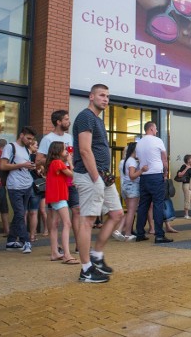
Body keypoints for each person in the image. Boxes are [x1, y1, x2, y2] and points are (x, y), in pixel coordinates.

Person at [73, 84, 124, 283]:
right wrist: (95, 177)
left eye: (108, 96)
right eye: (102, 95)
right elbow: (85, 150)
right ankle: (86, 269)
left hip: (103, 175)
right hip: (90, 175)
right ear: (91, 96)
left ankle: (96, 256)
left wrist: (102, 177)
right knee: (88, 220)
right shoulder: (85, 116)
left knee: (117, 214)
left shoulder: (98, 120)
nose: (105, 99)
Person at [36, 110, 80, 252]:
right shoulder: (47, 139)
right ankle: (55, 247)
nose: (69, 121)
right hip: (57, 179)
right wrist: (58, 161)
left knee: (77, 209)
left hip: (70, 179)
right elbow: (38, 160)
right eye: (66, 119)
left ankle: (79, 244)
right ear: (58, 122)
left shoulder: (70, 137)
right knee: (55, 216)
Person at [1, 126, 38, 254]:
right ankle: (25, 240)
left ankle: (11, 240)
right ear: (21, 135)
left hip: (27, 185)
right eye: (28, 138)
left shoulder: (27, 150)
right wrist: (22, 165)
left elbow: (23, 166)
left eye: (32, 139)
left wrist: (30, 167)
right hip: (14, 186)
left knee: (20, 214)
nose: (30, 141)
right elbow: (3, 165)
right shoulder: (10, 147)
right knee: (20, 213)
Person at [134, 121, 173, 244]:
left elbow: (138, 159)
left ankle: (140, 233)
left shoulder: (139, 143)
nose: (156, 131)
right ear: (151, 128)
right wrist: (165, 173)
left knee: (143, 206)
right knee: (158, 204)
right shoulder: (158, 141)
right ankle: (159, 235)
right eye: (155, 128)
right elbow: (164, 159)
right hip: (156, 175)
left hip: (144, 177)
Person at [45, 141, 79, 264]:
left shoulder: (52, 163)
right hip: (59, 197)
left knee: (54, 225)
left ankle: (55, 252)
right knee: (67, 223)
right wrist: (70, 162)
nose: (67, 152)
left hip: (53, 197)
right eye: (64, 149)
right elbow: (73, 175)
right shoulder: (58, 163)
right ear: (58, 151)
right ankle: (67, 254)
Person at [114, 142, 147, 241]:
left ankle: (119, 230)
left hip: (125, 187)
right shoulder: (132, 161)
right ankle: (128, 234)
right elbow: (132, 176)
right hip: (132, 186)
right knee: (131, 212)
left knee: (129, 211)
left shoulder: (124, 161)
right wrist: (142, 170)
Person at [27, 140, 46, 243]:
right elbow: (41, 169)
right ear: (31, 146)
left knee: (24, 212)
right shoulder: (35, 158)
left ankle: (24, 235)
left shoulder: (23, 156)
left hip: (24, 185)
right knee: (34, 212)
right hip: (35, 186)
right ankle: (32, 236)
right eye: (36, 145)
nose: (37, 147)